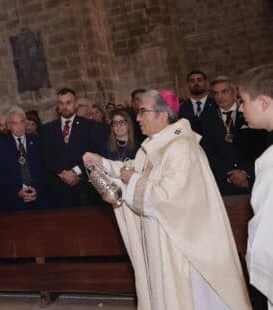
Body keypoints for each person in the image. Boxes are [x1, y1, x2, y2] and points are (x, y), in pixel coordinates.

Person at [83, 90, 251, 310]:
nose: (138, 118)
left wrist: (133, 180)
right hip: (161, 241)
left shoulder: (182, 149)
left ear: (162, 115)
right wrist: (101, 163)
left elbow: (169, 198)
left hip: (183, 247)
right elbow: (130, 169)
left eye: (142, 111)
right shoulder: (152, 146)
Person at [237, 63, 273, 309]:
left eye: (243, 101)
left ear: (264, 103)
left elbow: (266, 235)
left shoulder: (270, 161)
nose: (240, 108)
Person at [199, 76, 268, 195]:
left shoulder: (249, 113)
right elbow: (206, 152)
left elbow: (262, 147)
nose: (220, 96)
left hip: (253, 180)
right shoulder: (207, 119)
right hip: (223, 183)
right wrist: (228, 173)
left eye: (224, 92)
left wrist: (246, 172)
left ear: (234, 92)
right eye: (216, 93)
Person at [39, 88, 107, 208]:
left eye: (68, 103)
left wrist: (75, 171)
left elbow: (95, 153)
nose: (64, 107)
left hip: (85, 188)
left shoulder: (90, 126)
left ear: (76, 104)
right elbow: (45, 157)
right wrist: (62, 173)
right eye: (61, 103)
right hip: (58, 191)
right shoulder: (47, 129)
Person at [0, 107, 50, 209]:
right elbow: (1, 174)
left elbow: (45, 168)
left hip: (40, 198)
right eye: (15, 123)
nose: (19, 127)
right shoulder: (0, 146)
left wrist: (37, 189)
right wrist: (17, 191)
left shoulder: (37, 141)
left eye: (22, 122)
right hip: (14, 201)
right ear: (9, 126)